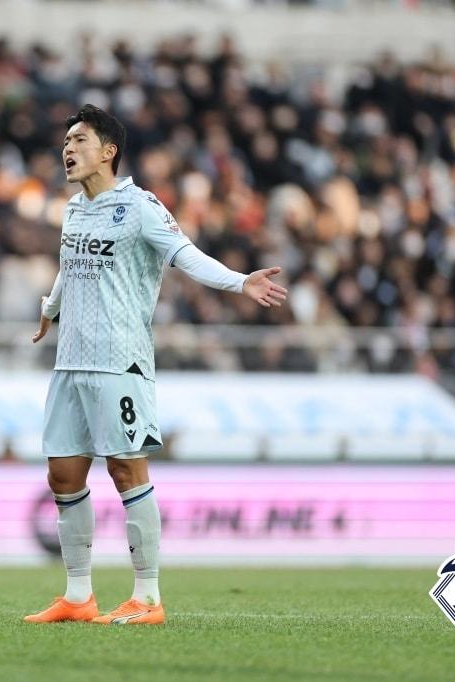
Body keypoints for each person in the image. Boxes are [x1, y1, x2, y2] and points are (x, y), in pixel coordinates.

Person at [26, 104, 287, 625]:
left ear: (109, 150)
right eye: (65, 142)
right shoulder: (74, 209)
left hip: (118, 362)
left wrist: (241, 281)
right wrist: (49, 309)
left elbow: (186, 255)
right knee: (63, 475)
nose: (67, 150)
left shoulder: (141, 207)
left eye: (78, 140)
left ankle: (148, 597)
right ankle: (78, 596)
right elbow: (67, 267)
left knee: (126, 470)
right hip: (70, 364)